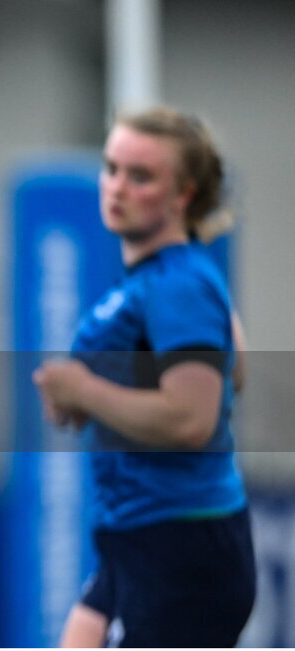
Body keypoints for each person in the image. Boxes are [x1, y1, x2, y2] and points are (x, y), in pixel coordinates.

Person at [33, 107, 256, 647]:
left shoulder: (178, 283)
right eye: (111, 168)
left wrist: (84, 389)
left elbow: (192, 419)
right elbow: (235, 370)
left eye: (141, 176)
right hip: (136, 535)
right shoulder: (156, 277)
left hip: (180, 544)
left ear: (183, 195)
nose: (116, 187)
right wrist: (95, 396)